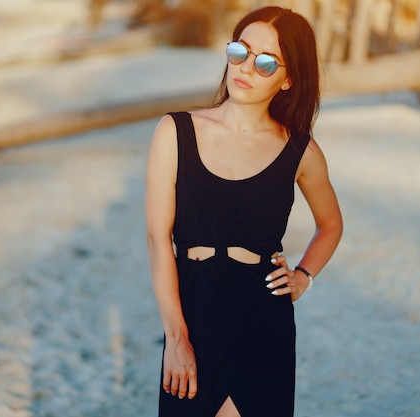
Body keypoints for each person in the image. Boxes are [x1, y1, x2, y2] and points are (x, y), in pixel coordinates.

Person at [145, 5, 343, 417]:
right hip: (194, 315)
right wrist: (177, 338)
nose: (247, 67)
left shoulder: (300, 151)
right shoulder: (175, 132)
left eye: (266, 62)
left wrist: (303, 277)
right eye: (241, 51)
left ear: (289, 79)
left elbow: (331, 224)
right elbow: (158, 239)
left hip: (263, 321)